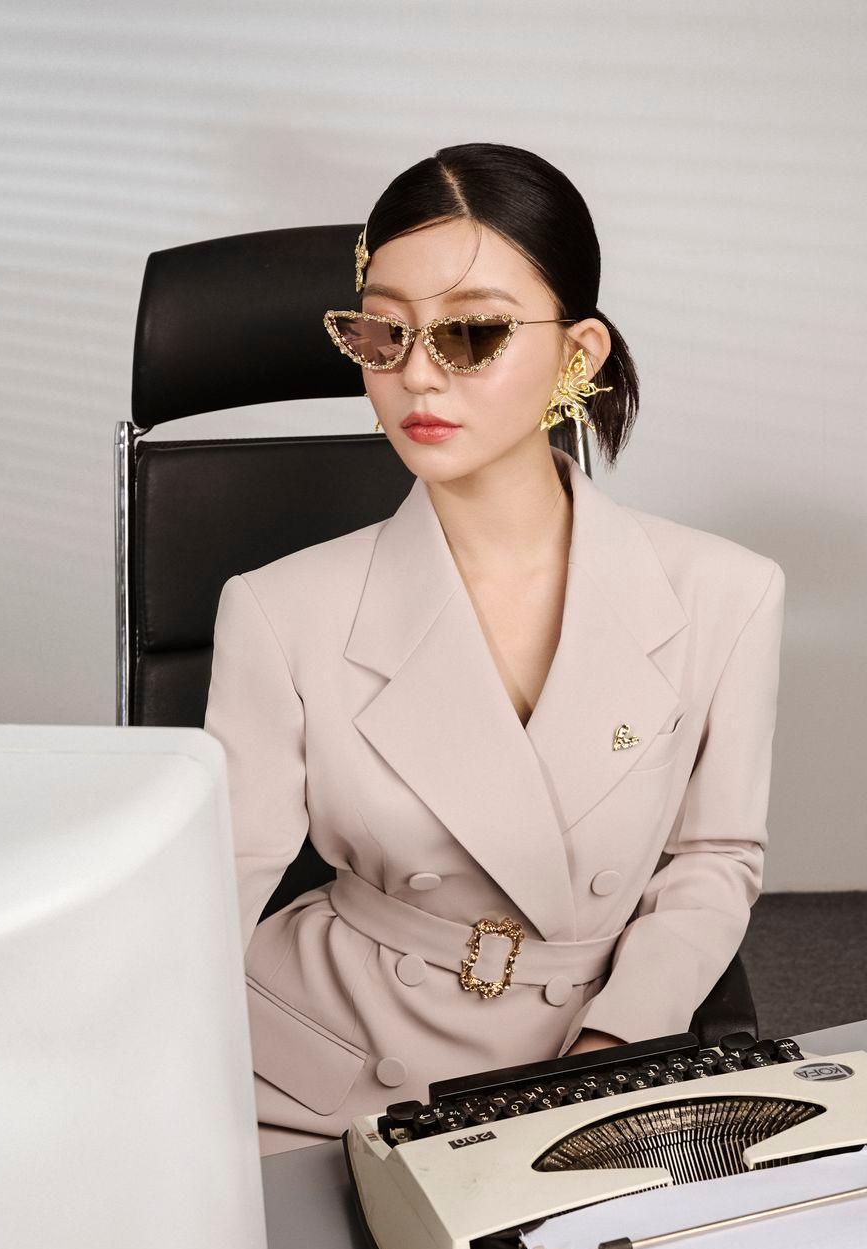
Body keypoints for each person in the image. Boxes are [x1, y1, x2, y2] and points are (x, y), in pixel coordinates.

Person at [204, 142, 786, 1157]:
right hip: (317, 1075)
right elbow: (212, 896)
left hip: (589, 1059)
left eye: (472, 332)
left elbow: (713, 859)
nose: (415, 375)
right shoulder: (277, 609)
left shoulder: (726, 593)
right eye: (382, 331)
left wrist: (613, 1046)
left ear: (579, 354)